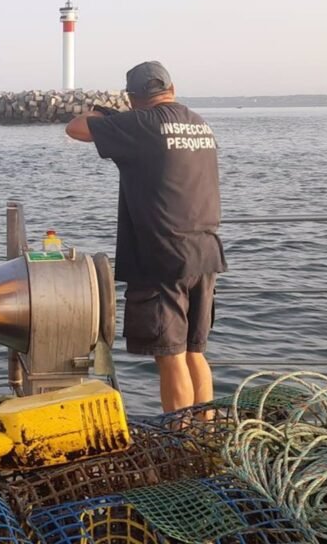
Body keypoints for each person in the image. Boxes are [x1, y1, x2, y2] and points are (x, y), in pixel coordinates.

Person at [65, 61, 227, 413]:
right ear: (171, 87)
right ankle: (207, 432)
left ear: (134, 98)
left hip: (162, 254)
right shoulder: (199, 123)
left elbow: (75, 128)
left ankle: (180, 438)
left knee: (170, 357)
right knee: (196, 352)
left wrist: (103, 113)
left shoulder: (142, 123)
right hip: (205, 251)